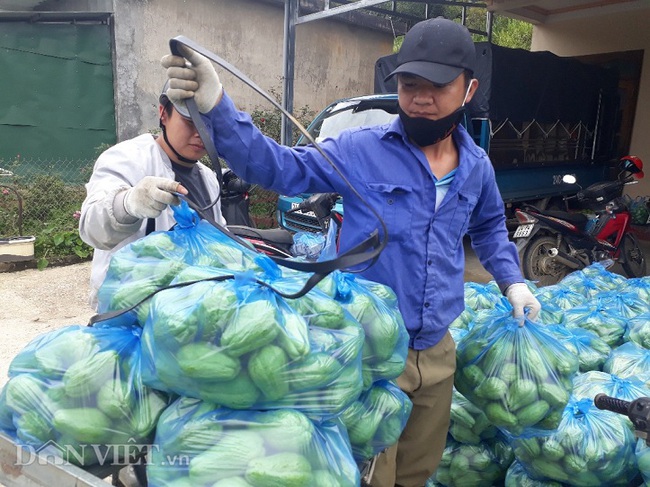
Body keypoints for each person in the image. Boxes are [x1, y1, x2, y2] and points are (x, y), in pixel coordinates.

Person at [161, 17, 541, 487]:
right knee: (369, 474)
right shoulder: (359, 150)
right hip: (370, 350)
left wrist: (513, 280)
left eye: (436, 87)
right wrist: (217, 107)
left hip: (438, 352)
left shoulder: (477, 167)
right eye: (408, 84)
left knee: (418, 471)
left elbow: (487, 227)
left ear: (469, 89)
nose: (420, 98)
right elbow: (276, 166)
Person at [78, 81, 226, 310]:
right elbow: (92, 229)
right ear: (162, 113)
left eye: (208, 124)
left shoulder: (208, 179)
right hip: (129, 308)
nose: (200, 133)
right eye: (190, 121)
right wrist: (127, 204)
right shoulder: (126, 159)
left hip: (189, 310)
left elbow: (219, 240)